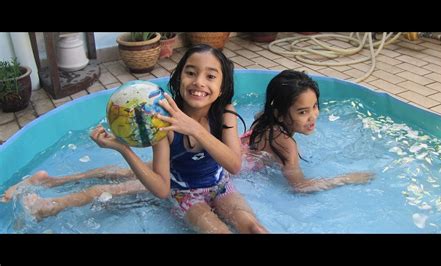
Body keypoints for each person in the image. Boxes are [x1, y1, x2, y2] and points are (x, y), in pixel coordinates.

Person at [1, 44, 267, 234]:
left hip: (220, 186)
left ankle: (48, 182)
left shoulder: (226, 113)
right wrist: (123, 149)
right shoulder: (160, 119)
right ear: (179, 77)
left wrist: (195, 129)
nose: (199, 82)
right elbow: (162, 190)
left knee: (254, 228)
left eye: (211, 76)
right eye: (190, 72)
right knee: (107, 186)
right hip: (181, 193)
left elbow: (234, 165)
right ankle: (47, 197)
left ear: (222, 87)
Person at [240, 70, 374, 193]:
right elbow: (300, 186)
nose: (313, 116)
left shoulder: (263, 118)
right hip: (242, 175)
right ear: (279, 114)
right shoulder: (287, 145)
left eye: (314, 106)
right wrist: (345, 179)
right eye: (302, 112)